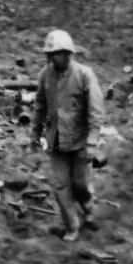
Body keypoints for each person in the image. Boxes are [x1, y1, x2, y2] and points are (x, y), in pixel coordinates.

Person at [29, 30, 105, 243]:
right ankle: (72, 225)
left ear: (70, 53)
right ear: (50, 55)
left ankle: (88, 209)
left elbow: (96, 110)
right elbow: (40, 105)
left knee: (80, 184)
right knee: (61, 186)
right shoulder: (45, 75)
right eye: (56, 54)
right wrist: (35, 132)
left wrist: (92, 141)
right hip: (56, 142)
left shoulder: (84, 75)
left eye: (64, 53)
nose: (61, 57)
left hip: (80, 140)